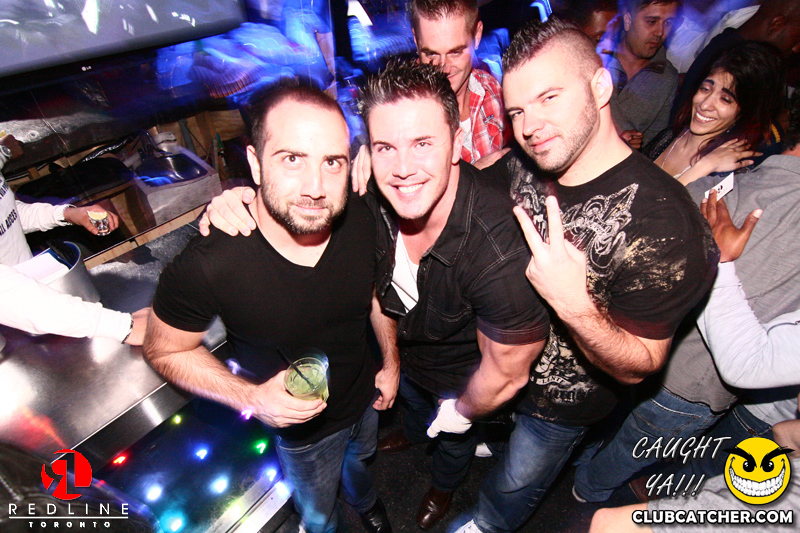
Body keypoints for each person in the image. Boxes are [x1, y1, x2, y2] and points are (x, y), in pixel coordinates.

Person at [199, 60, 551, 531]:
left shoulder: (498, 249)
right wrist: (236, 201)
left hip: (462, 376)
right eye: (386, 147)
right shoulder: (369, 197)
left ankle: (444, 486)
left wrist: (464, 410)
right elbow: (301, 195)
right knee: (412, 415)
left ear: (455, 141)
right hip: (405, 358)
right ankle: (412, 434)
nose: (402, 169)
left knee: (452, 442)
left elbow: (507, 372)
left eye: (423, 143)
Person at [453, 18, 718, 533]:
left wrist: (572, 302)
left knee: (514, 484)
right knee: (495, 442)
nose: (530, 125)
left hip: (557, 407)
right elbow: (482, 172)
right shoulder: (532, 156)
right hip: (498, 365)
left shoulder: (667, 226)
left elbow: (640, 365)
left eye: (549, 97)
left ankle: (487, 524)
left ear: (600, 87)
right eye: (517, 111)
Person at [142, 81, 397, 533]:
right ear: (256, 164)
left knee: (360, 463)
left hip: (365, 399)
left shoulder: (360, 216)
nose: (315, 188)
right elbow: (164, 349)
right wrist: (253, 399)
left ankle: (366, 500)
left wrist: (391, 363)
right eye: (292, 159)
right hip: (303, 434)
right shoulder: (211, 261)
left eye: (332, 162)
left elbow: (375, 295)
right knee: (319, 513)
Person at [573, 83, 800, 506]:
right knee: (618, 448)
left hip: (655, 355)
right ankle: (585, 490)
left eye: (728, 97)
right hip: (685, 381)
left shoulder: (735, 179)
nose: (709, 102)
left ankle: (584, 487)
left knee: (614, 437)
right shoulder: (725, 172)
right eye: (707, 86)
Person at [0, 133, 147, 345]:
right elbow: (7, 294)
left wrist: (66, 214)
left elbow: (7, 212)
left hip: (31, 307)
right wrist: (122, 326)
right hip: (15, 312)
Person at [350, 0, 511, 193]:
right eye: (431, 54)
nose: (444, 67)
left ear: (476, 36)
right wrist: (374, 152)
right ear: (416, 40)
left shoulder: (491, 89)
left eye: (455, 52)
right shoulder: (398, 108)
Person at [643, 41, 785, 185]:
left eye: (725, 99)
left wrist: (705, 166)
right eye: (705, 89)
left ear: (745, 111)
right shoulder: (669, 136)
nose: (705, 105)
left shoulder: (727, 173)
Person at [672, 0, 800, 122]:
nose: (797, 48)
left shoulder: (728, 46)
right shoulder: (737, 63)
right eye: (798, 39)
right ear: (776, 25)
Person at [602, 0, 681, 149]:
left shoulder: (667, 77)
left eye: (668, 23)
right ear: (627, 20)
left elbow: (654, 142)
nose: (660, 32)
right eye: (651, 22)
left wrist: (632, 151)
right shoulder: (598, 55)